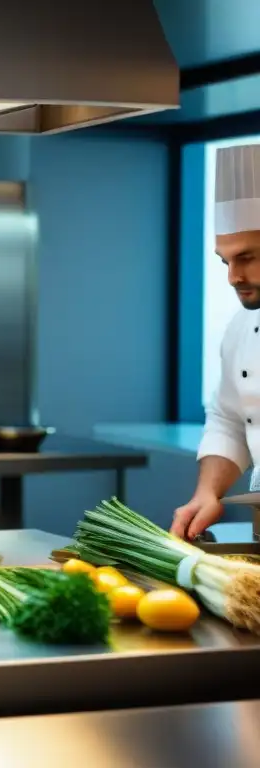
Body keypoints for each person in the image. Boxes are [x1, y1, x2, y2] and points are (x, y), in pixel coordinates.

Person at [173, 143, 260, 540]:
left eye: (247, 258)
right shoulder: (242, 328)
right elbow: (230, 419)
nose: (233, 277)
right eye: (225, 261)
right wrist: (207, 492)